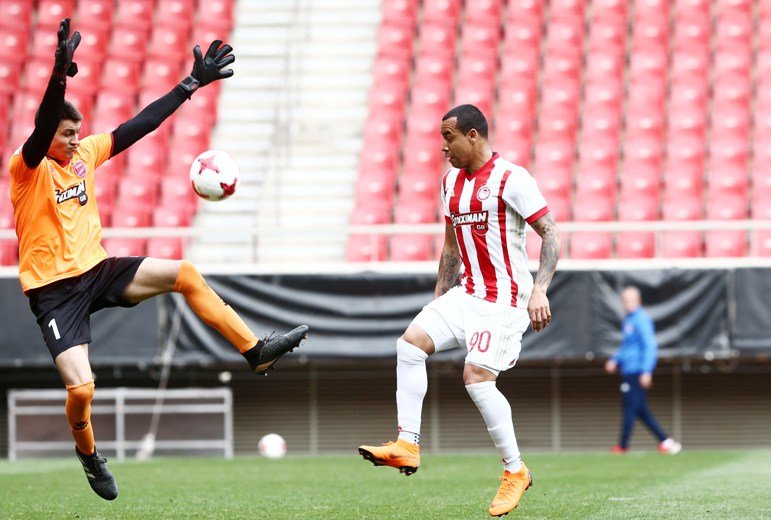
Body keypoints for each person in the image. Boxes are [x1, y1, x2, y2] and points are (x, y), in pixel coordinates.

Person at [8, 19, 309, 501]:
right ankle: (90, 455)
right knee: (82, 390)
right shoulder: (27, 168)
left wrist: (190, 84)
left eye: (77, 132)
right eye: (66, 134)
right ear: (47, 137)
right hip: (53, 292)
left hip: (97, 271)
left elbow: (140, 125)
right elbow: (44, 124)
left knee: (184, 273)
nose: (75, 140)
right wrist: (58, 76)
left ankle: (255, 350)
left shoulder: (85, 154)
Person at [358, 104, 561, 517]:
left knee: (477, 378)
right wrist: (438, 299)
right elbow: (451, 246)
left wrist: (540, 289)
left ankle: (515, 470)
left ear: (473, 135)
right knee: (410, 345)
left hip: (504, 299)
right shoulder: (450, 182)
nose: (443, 147)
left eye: (448, 138)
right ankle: (407, 444)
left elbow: (551, 232)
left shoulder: (512, 178)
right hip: (466, 293)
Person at [604, 286, 681, 455]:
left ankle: (623, 445)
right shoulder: (628, 321)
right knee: (639, 409)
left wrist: (646, 371)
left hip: (637, 371)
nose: (626, 303)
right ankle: (665, 441)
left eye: (629, 300)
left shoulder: (641, 319)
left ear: (638, 301)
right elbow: (626, 347)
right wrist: (615, 360)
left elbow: (649, 346)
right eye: (624, 300)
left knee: (631, 408)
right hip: (628, 370)